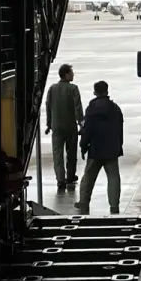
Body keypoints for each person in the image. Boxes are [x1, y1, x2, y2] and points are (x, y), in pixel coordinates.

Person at [79, 80, 125, 213]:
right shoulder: (115, 108)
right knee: (113, 178)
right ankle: (114, 205)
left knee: (88, 177)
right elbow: (120, 129)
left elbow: (87, 130)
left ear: (95, 92)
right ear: (107, 91)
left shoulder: (91, 109)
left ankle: (84, 202)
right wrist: (118, 145)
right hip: (112, 149)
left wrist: (83, 145)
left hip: (95, 149)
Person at [45, 63, 83, 192]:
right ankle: (70, 176)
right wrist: (81, 123)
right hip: (70, 126)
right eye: (71, 73)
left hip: (56, 127)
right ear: (66, 74)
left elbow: (48, 106)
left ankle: (60, 179)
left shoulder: (52, 89)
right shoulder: (73, 89)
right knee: (71, 153)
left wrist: (49, 123)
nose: (73, 75)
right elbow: (78, 107)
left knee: (58, 154)